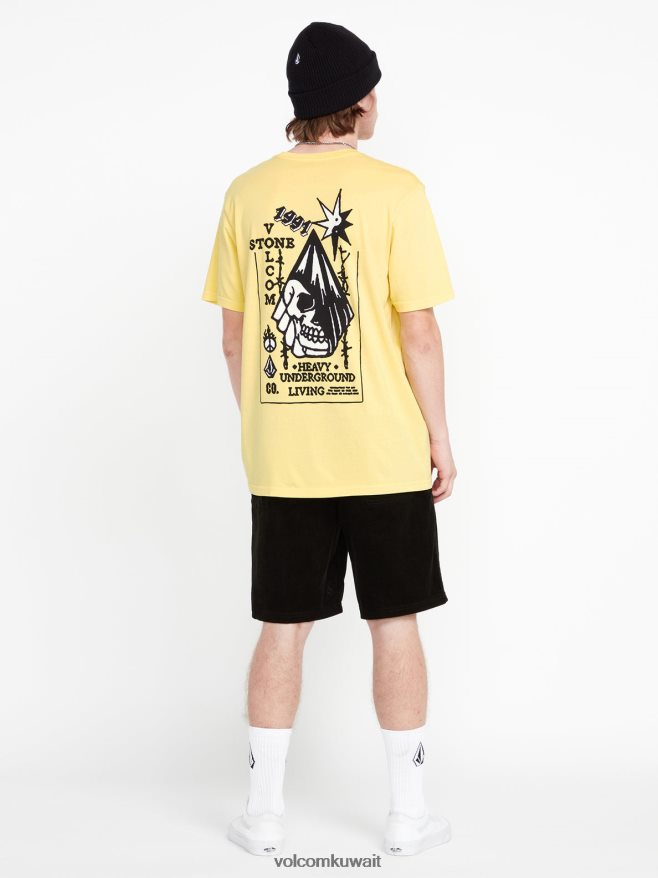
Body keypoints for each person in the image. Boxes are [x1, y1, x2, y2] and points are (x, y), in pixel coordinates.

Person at [201, 21, 457, 858]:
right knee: (396, 624)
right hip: (385, 454)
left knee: (282, 629)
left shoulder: (246, 193)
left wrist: (265, 426)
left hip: (286, 462)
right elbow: (419, 332)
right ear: (361, 102)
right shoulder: (397, 192)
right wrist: (440, 439)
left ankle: (263, 817)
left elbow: (234, 339)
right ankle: (407, 818)